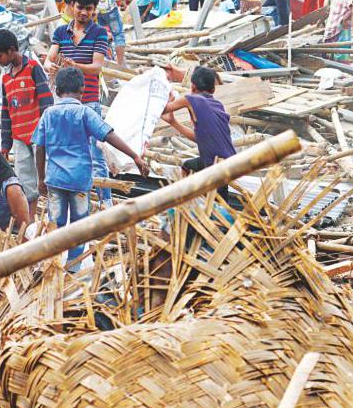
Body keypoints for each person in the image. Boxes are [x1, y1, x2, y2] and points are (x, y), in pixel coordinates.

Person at [33, 67, 148, 266]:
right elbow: (108, 135)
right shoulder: (85, 112)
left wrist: (41, 177)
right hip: (79, 179)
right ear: (82, 89)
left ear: (57, 90)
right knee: (79, 226)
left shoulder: (48, 114)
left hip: (55, 179)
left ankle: (52, 265)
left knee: (55, 224)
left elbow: (39, 148)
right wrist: (135, 156)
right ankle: (74, 266)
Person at [45, 0, 114, 199]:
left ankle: (105, 201)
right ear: (72, 6)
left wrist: (74, 66)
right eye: (80, 7)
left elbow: (96, 67)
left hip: (89, 101)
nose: (84, 12)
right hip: (63, 102)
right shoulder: (60, 32)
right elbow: (49, 59)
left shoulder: (99, 33)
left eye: (89, 8)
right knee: (63, 151)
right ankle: (71, 197)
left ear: (94, 10)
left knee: (95, 156)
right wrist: (50, 66)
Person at [0, 28, 52, 213]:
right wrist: (5, 145)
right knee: (25, 184)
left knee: (47, 179)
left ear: (11, 50)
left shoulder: (33, 68)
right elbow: (6, 114)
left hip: (38, 135)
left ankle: (53, 221)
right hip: (19, 138)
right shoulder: (6, 78)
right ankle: (29, 222)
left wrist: (46, 132)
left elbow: (47, 102)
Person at [160, 66, 237, 197]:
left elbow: (161, 109)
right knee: (187, 166)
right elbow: (199, 138)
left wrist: (169, 97)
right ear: (213, 89)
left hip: (218, 164)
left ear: (193, 86)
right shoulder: (218, 105)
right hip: (231, 160)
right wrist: (173, 122)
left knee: (217, 203)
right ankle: (186, 201)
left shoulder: (190, 99)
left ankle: (188, 202)